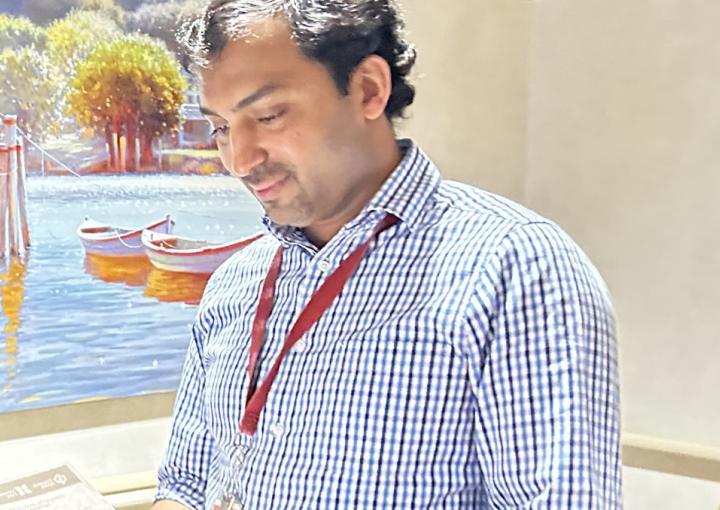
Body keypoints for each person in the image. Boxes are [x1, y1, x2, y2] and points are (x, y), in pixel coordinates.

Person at [154, 1, 620, 508]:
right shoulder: (234, 284)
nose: (239, 160)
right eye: (220, 127)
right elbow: (186, 487)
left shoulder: (516, 271)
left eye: (267, 115)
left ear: (369, 90)